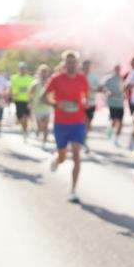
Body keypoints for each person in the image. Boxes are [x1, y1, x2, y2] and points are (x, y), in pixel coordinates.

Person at [40, 51, 90, 203]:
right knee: (62, 156)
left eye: (74, 62)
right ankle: (57, 159)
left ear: (77, 63)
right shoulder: (56, 79)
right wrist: (56, 104)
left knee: (76, 155)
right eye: (69, 62)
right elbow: (43, 97)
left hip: (77, 123)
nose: (71, 65)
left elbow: (86, 97)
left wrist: (85, 104)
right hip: (61, 123)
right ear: (64, 64)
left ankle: (73, 190)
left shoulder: (82, 79)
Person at [28, 65, 53, 149]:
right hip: (37, 107)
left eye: (45, 72)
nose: (44, 74)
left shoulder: (50, 82)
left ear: (48, 73)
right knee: (40, 126)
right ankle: (39, 131)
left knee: (46, 125)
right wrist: (30, 102)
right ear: (39, 73)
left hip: (46, 107)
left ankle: (44, 142)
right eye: (42, 72)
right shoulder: (35, 83)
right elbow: (30, 94)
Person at [81, 59, 101, 154]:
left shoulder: (93, 77)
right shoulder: (79, 76)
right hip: (80, 104)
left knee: (88, 124)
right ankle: (83, 141)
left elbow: (99, 87)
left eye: (88, 66)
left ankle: (84, 139)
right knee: (83, 123)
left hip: (91, 103)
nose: (87, 68)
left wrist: (97, 89)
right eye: (85, 66)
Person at [102, 64, 126, 146]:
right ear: (114, 70)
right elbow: (103, 87)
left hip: (120, 103)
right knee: (115, 120)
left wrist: (125, 94)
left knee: (121, 122)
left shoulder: (122, 78)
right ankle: (110, 130)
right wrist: (108, 92)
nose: (118, 71)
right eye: (116, 69)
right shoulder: (109, 79)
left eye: (119, 69)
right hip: (112, 103)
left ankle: (116, 139)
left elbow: (125, 88)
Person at [10, 62, 33, 141]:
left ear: (26, 69)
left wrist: (31, 100)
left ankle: (25, 131)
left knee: (25, 118)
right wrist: (13, 94)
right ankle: (24, 128)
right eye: (21, 68)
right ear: (18, 69)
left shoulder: (30, 78)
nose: (22, 70)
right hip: (18, 101)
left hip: (27, 101)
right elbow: (12, 88)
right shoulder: (14, 78)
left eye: (24, 68)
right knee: (21, 119)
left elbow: (32, 90)